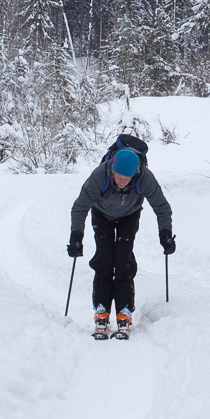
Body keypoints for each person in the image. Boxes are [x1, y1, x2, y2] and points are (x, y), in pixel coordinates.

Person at [69, 145, 174, 339]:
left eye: (126, 179)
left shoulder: (145, 178)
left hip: (129, 215)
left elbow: (162, 207)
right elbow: (80, 206)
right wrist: (76, 235)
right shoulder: (100, 175)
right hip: (102, 215)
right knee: (104, 258)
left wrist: (165, 233)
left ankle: (124, 310)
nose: (122, 182)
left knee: (123, 259)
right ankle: (101, 310)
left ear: (134, 174)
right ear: (112, 169)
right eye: (118, 177)